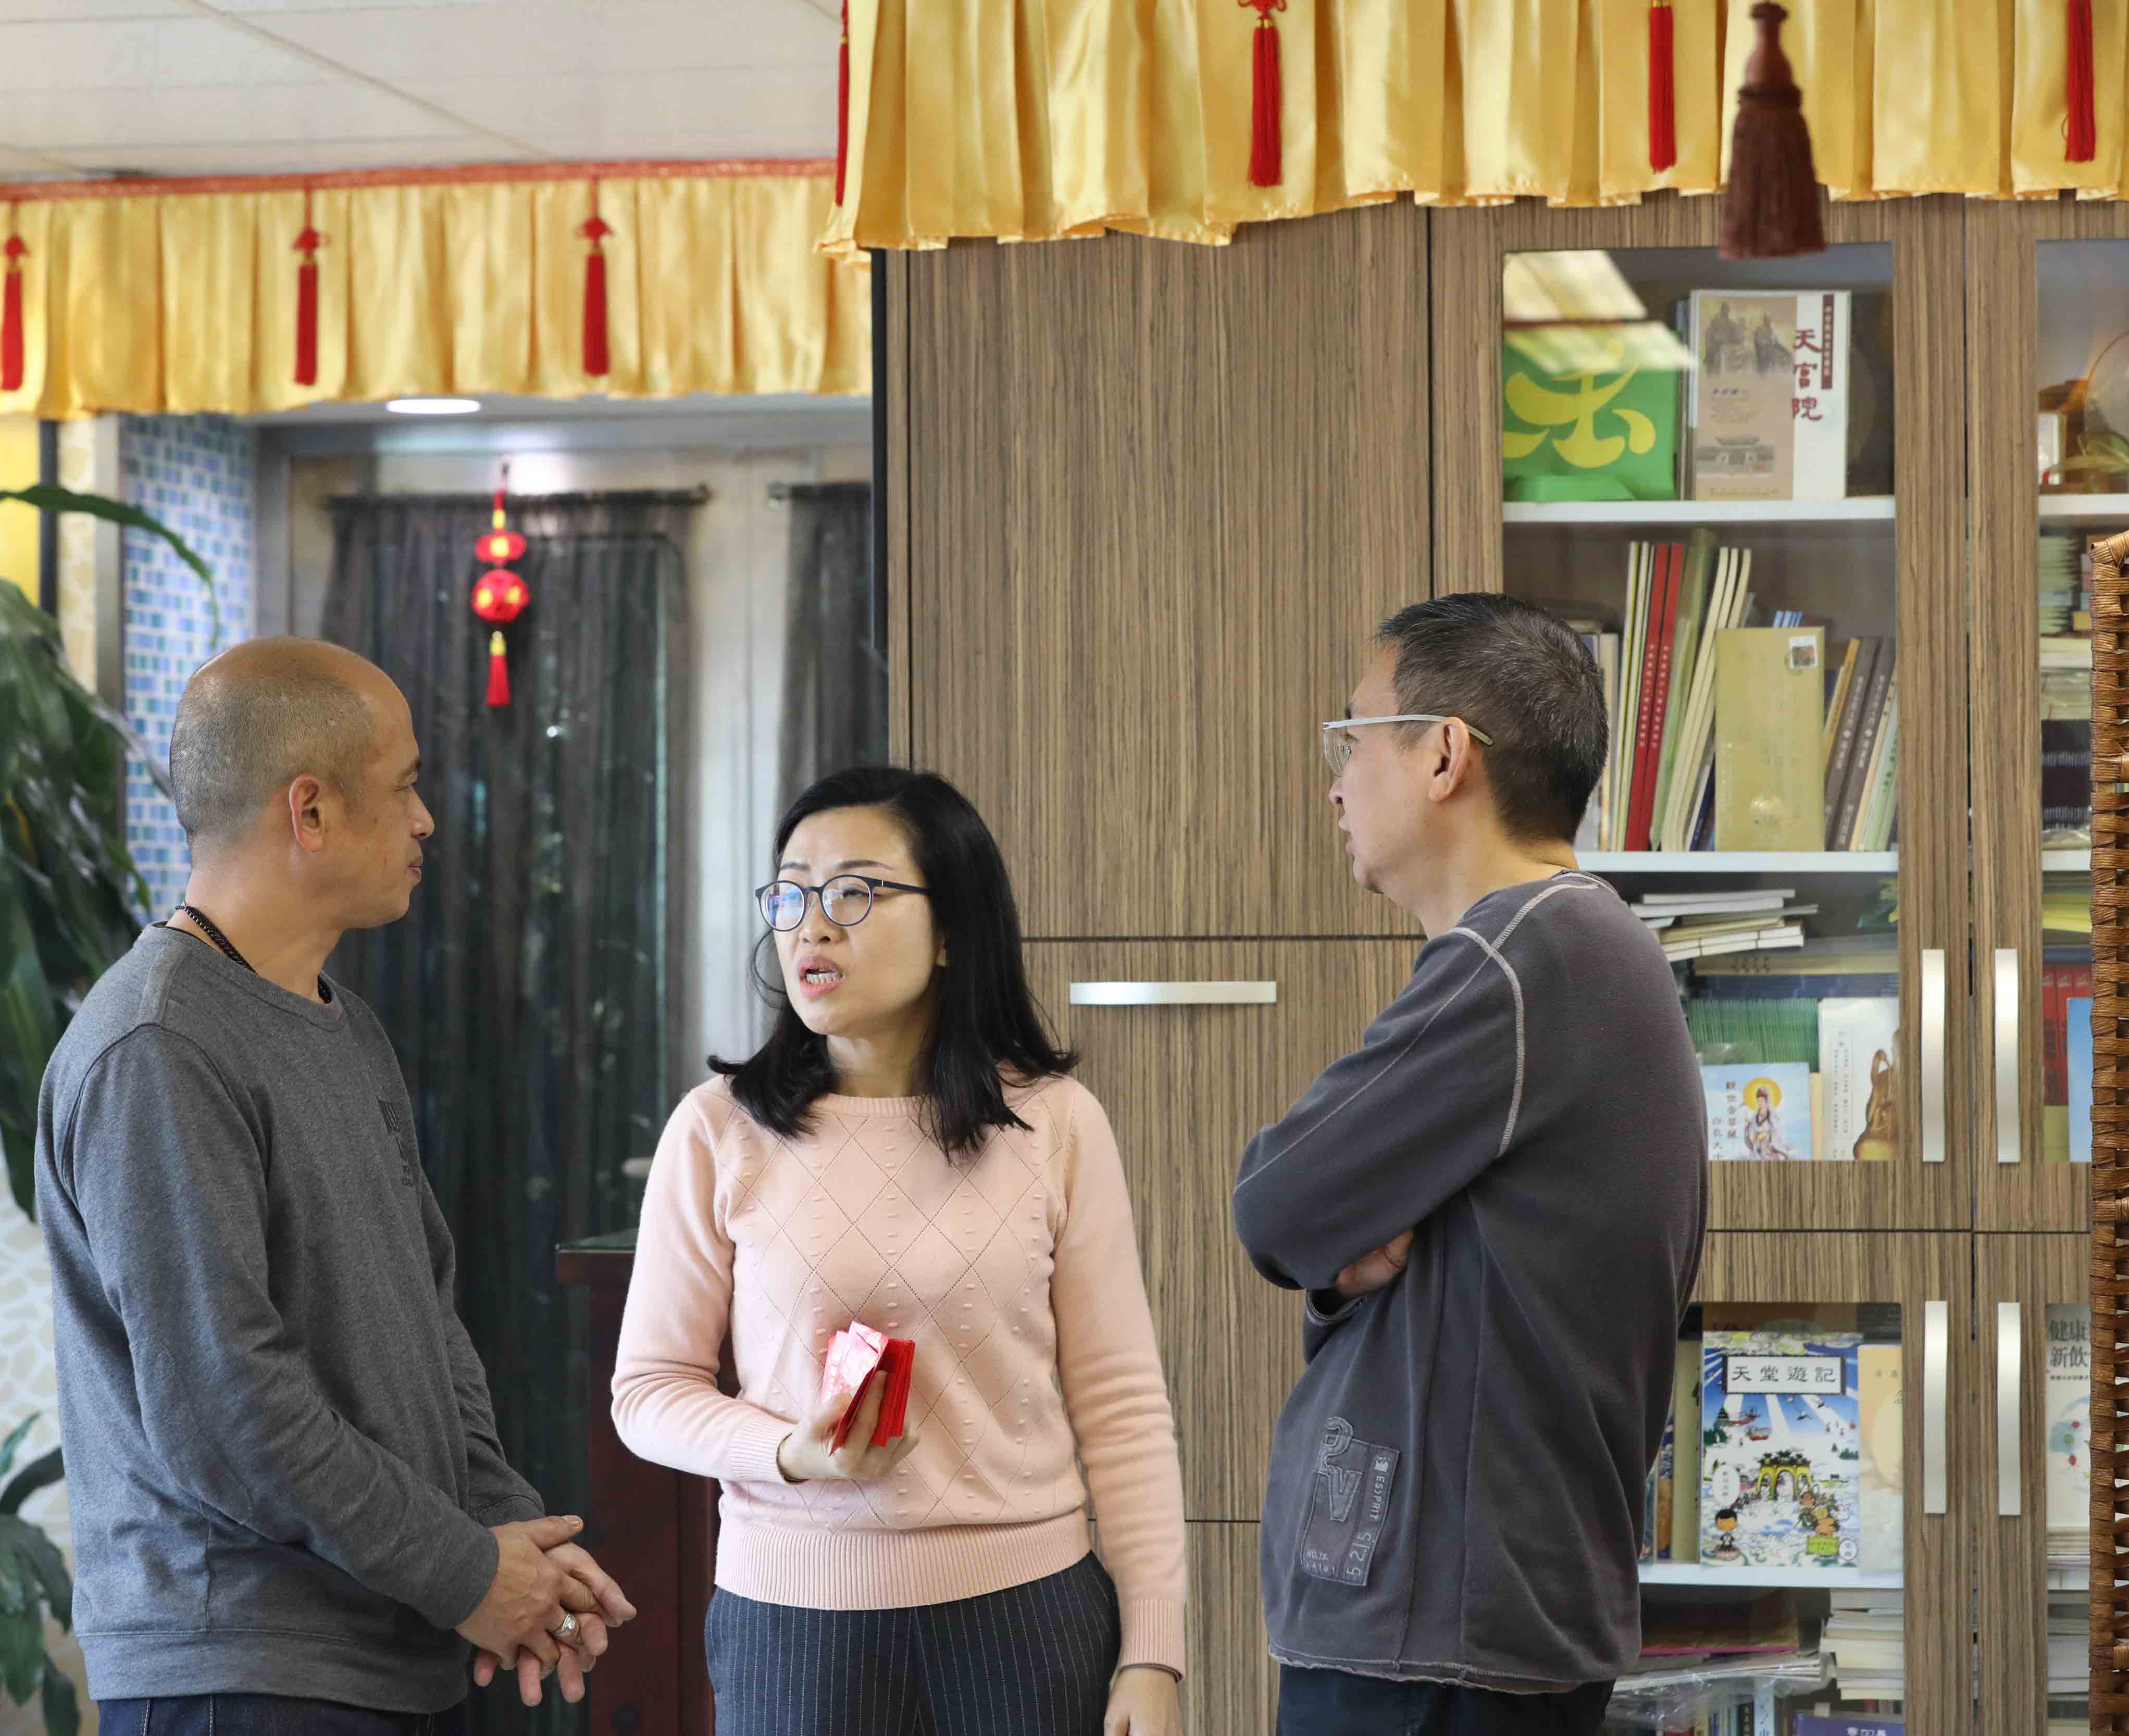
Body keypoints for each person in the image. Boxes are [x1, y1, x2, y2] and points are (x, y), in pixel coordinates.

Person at [36, 638, 636, 1735]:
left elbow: (427, 1322)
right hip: (243, 1671)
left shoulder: (344, 1023)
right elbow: (226, 1405)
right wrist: (467, 1569)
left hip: (391, 1649)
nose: (427, 820)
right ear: (309, 810)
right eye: (404, 787)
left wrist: (509, 1541)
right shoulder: (157, 1043)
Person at [611, 766, 1189, 1736]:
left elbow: (1122, 1403)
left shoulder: (1054, 1123)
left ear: (952, 927)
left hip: (1027, 1617)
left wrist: (1153, 1652)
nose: (812, 926)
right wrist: (786, 1450)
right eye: (790, 895)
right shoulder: (718, 1130)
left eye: (854, 892)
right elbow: (647, 1392)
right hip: (793, 1622)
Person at [1234, 595, 1706, 1735]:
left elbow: (1276, 1201)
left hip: (1440, 1641)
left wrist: (1334, 1250)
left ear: (1445, 753)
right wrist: (1345, 1265)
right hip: (1474, 1625)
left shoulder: (1522, 953)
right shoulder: (1574, 949)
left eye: (1353, 738)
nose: (1335, 785)